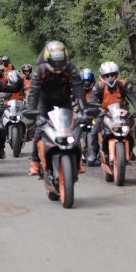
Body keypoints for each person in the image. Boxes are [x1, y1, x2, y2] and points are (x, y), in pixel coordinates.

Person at [27, 41, 88, 175]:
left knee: (74, 129)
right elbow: (34, 92)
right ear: (48, 59)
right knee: (39, 130)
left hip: (64, 100)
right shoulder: (40, 71)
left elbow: (78, 87)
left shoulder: (70, 68)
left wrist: (84, 108)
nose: (58, 65)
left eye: (61, 61)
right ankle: (35, 162)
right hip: (45, 101)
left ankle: (78, 162)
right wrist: (32, 111)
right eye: (55, 62)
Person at [88, 61, 136, 165]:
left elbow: (134, 100)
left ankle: (130, 151)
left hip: (122, 113)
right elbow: (92, 101)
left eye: (113, 74)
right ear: (102, 76)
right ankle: (93, 152)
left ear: (117, 74)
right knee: (94, 131)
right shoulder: (98, 87)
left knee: (134, 129)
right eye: (107, 75)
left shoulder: (124, 84)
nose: (110, 78)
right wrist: (94, 110)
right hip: (104, 113)